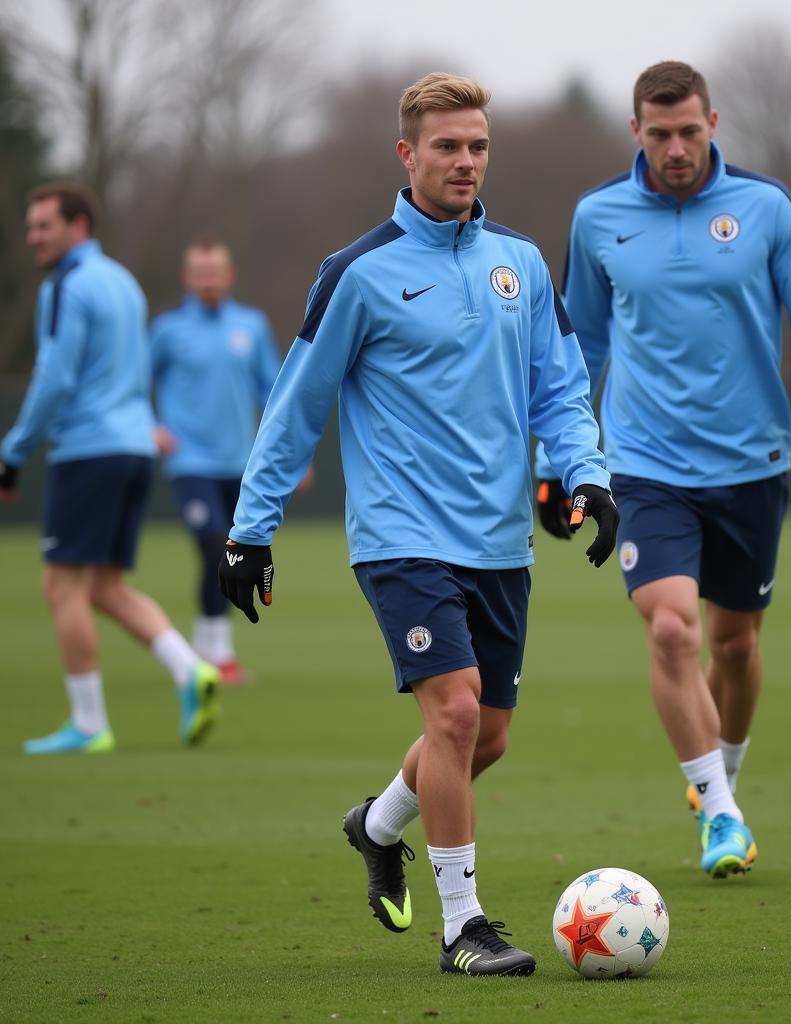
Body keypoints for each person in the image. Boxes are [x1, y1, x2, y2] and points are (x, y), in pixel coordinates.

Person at [217, 73, 618, 975]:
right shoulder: (357, 273)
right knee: (458, 713)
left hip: (500, 540)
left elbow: (558, 388)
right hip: (400, 538)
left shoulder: (519, 260)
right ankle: (463, 927)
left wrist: (585, 477)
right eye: (447, 146)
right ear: (408, 154)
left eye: (477, 145)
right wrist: (250, 530)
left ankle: (377, 824)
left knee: (489, 735)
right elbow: (294, 408)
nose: (466, 160)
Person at [535, 61, 791, 879]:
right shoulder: (598, 216)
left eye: (689, 131)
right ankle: (718, 812)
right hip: (645, 463)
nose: (676, 148)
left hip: (751, 462)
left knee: (735, 645)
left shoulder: (765, 208)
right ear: (635, 134)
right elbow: (583, 347)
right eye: (660, 134)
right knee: (673, 626)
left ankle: (725, 775)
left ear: (713, 122)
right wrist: (560, 459)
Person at [0, 183, 221, 754]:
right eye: (31, 227)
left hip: (89, 448)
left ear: (78, 226)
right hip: (134, 447)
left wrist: (14, 451)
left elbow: (55, 377)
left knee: (61, 586)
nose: (33, 237)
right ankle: (189, 668)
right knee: (103, 586)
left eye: (44, 225)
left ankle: (89, 722)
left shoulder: (67, 284)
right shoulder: (122, 281)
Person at [150, 238, 288, 685]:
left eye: (215, 272)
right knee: (214, 545)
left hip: (240, 462)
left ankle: (207, 652)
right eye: (199, 273)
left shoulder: (250, 325)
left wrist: (291, 455)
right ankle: (219, 653)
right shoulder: (168, 330)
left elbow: (275, 392)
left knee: (230, 552)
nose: (208, 280)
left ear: (229, 276)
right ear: (187, 278)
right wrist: (150, 425)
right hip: (190, 461)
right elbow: (133, 382)